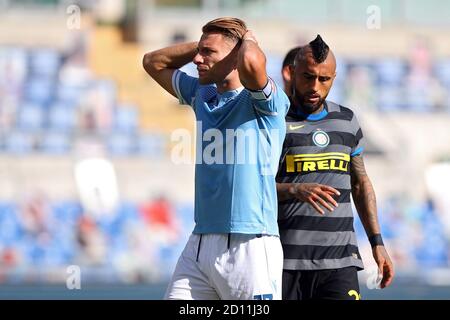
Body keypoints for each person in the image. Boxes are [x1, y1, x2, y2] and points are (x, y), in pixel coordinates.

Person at [143, 17, 290, 300]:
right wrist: (203, 44)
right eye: (200, 51)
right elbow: (153, 62)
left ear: (235, 57)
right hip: (200, 242)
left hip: (250, 245)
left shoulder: (264, 102)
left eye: (208, 53)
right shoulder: (202, 93)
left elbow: (252, 63)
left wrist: (245, 39)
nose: (197, 59)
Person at [276, 35, 394, 300]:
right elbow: (255, 189)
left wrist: (377, 243)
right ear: (292, 73)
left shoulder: (347, 121)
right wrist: (295, 189)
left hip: (340, 264)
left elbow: (360, 183)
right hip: (285, 263)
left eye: (324, 79)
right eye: (308, 77)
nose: (315, 86)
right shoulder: (275, 124)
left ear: (334, 77)